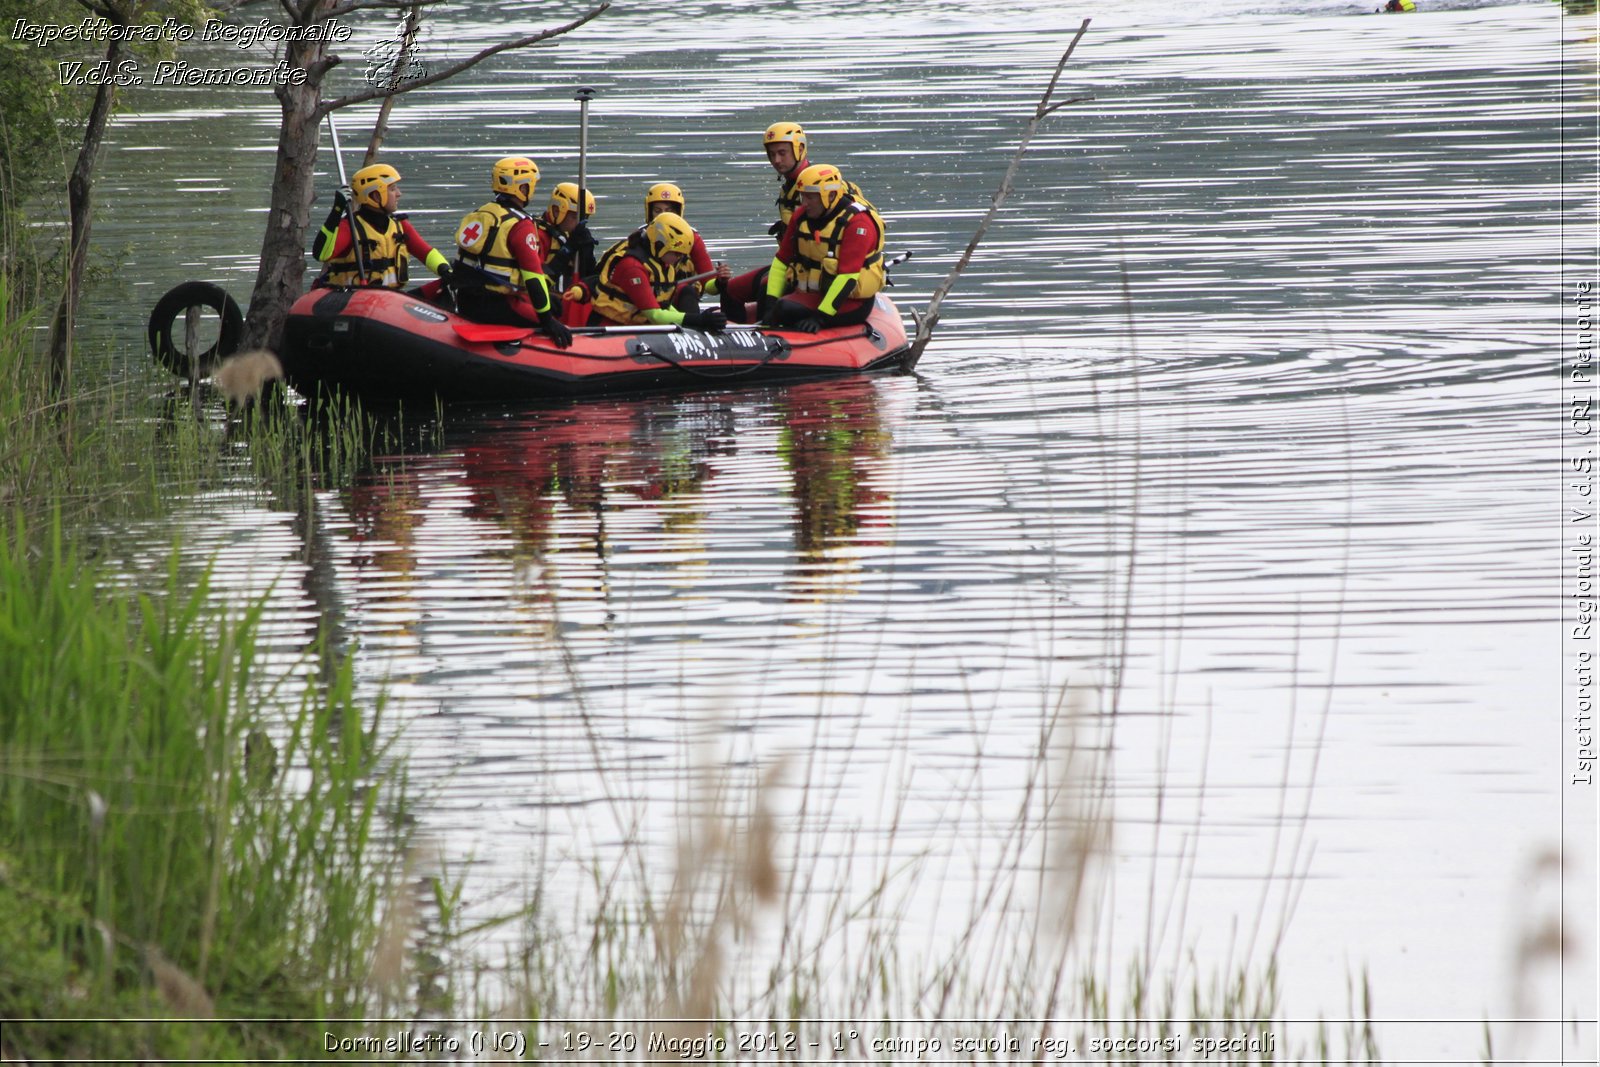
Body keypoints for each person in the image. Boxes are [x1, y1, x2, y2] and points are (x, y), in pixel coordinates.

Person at [450, 155, 572, 347]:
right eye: (531, 186)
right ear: (523, 187)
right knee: (556, 318)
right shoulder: (520, 225)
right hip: (496, 305)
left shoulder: (481, 213)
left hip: (465, 300)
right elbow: (533, 277)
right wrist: (547, 320)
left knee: (548, 304)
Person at [758, 163, 885, 333]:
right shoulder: (801, 216)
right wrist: (769, 305)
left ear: (831, 195)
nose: (805, 203)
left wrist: (820, 317)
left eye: (811, 197)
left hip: (851, 302)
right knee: (765, 289)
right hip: (814, 293)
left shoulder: (857, 224)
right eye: (803, 197)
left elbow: (847, 277)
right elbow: (782, 262)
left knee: (785, 308)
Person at [311, 163, 454, 290]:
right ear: (375, 196)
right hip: (352, 301)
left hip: (390, 301)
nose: (399, 194)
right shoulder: (349, 227)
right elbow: (322, 254)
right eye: (392, 189)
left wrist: (445, 270)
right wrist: (337, 210)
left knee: (443, 287)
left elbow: (426, 253)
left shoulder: (400, 225)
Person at [588, 210, 728, 331]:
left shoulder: (663, 265)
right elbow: (655, 315)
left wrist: (697, 319)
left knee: (687, 292)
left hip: (637, 326)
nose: (679, 258)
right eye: (676, 253)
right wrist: (698, 320)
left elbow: (664, 305)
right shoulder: (632, 267)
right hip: (612, 328)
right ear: (660, 244)